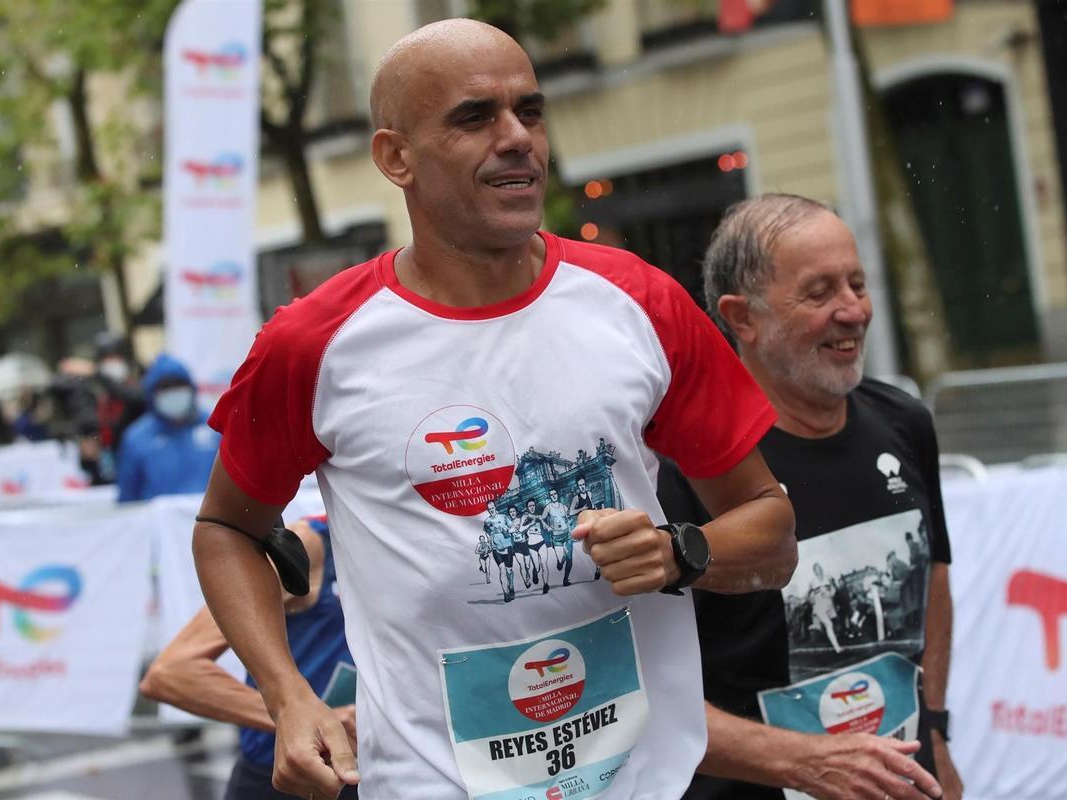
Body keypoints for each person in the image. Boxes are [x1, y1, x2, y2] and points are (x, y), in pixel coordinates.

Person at [192, 20, 796, 800]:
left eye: (530, 111)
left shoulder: (637, 301)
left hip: (646, 778)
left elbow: (770, 528)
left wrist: (683, 551)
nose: (517, 138)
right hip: (430, 782)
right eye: (475, 117)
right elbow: (226, 529)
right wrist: (287, 693)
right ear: (394, 157)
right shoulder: (313, 342)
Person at [656, 193, 960, 800]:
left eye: (858, 283)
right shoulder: (680, 469)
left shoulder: (904, 422)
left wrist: (934, 730)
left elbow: (933, 583)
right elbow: (648, 687)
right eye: (820, 293)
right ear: (743, 318)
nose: (854, 311)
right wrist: (807, 763)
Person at [141, 516, 357, 800]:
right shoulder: (312, 545)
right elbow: (172, 674)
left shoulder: (417, 549)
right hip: (286, 779)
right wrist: (303, 716)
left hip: (383, 767)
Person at [117, 353, 218, 502]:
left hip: (213, 523)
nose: (174, 392)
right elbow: (128, 499)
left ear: (191, 388)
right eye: (166, 388)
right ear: (152, 394)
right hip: (157, 525)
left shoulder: (215, 427)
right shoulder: (137, 438)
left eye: (179, 385)